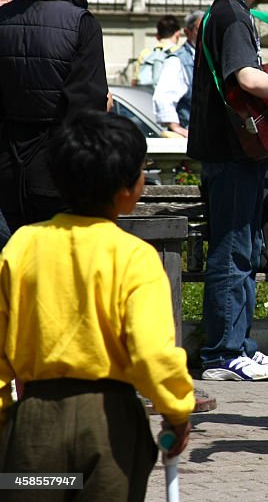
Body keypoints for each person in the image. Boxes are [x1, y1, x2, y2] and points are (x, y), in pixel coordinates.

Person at [0, 110, 193, 500]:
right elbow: (152, 353)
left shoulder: (21, 246)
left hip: (36, 427)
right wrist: (176, 410)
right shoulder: (135, 256)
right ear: (126, 188)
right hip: (111, 427)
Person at [187, 0, 268, 382]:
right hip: (231, 154)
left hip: (235, 154)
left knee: (246, 249)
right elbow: (247, 78)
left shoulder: (231, 12)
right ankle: (221, 353)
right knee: (233, 251)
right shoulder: (232, 15)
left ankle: (240, 346)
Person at [0, 0, 107, 234]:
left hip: (6, 174)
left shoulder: (2, 20)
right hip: (58, 175)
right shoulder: (81, 24)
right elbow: (85, 115)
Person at [153, 10, 202, 137]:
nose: (205, 34)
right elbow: (163, 97)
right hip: (191, 137)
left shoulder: (214, 57)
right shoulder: (178, 60)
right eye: (200, 29)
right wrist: (176, 127)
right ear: (187, 32)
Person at [133, 14, 180, 89]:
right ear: (178, 34)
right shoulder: (180, 52)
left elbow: (134, 81)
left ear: (157, 36)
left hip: (145, 97)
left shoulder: (145, 53)